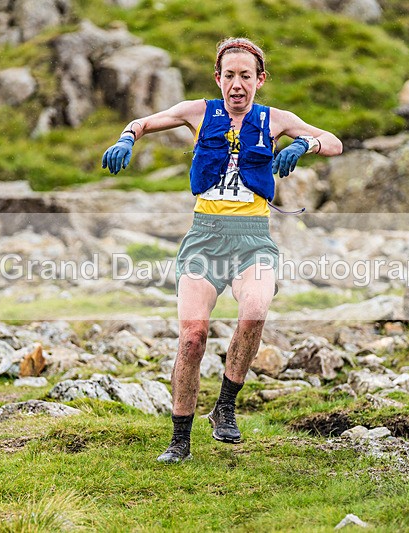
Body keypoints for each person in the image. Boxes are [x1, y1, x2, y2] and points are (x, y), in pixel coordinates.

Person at [102, 37, 343, 463]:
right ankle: (180, 441)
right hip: (204, 237)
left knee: (255, 311)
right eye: (229, 75)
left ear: (259, 80)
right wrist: (126, 138)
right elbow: (145, 121)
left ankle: (225, 406)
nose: (236, 84)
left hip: (253, 239)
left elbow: (334, 141)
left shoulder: (276, 120)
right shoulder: (198, 112)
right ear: (218, 78)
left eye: (245, 76)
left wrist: (306, 144)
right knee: (192, 338)